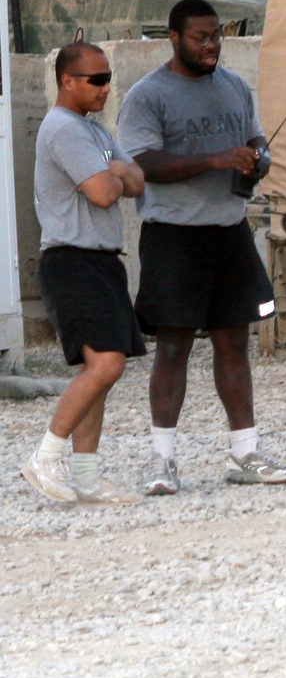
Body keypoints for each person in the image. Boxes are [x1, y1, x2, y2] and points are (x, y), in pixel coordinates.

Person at [118, 0, 286, 495]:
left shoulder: (236, 87)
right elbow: (144, 166)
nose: (211, 46)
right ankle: (162, 462)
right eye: (200, 37)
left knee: (234, 341)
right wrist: (215, 159)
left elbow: (256, 139)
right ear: (173, 38)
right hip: (174, 235)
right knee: (174, 346)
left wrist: (256, 158)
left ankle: (245, 452)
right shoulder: (147, 95)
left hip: (229, 230)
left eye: (216, 36)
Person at [23, 42, 146, 505]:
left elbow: (136, 179)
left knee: (103, 370)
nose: (105, 87)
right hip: (73, 260)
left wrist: (119, 174)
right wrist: (116, 174)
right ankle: (46, 455)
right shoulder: (64, 129)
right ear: (66, 81)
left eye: (108, 78)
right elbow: (104, 192)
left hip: (101, 259)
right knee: (106, 364)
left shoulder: (93, 130)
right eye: (95, 79)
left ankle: (86, 476)